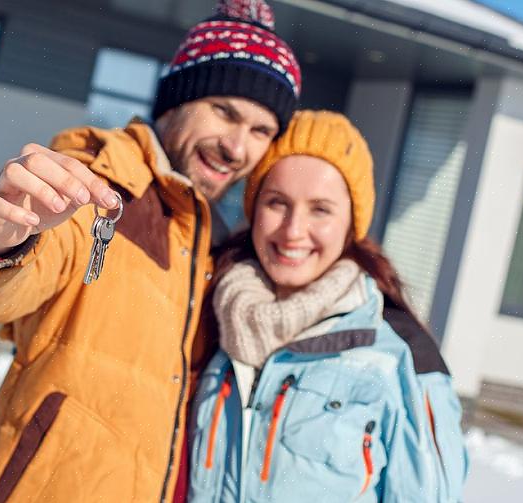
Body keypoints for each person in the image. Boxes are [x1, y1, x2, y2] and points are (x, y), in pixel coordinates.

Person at [0, 1, 301, 501]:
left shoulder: (216, 243)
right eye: (224, 111)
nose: (237, 147)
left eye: (261, 131)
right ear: (176, 102)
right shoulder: (95, 190)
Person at [186, 110, 468, 502]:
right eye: (276, 203)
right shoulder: (212, 315)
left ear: (351, 223)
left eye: (320, 209)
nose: (293, 230)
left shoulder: (400, 356)